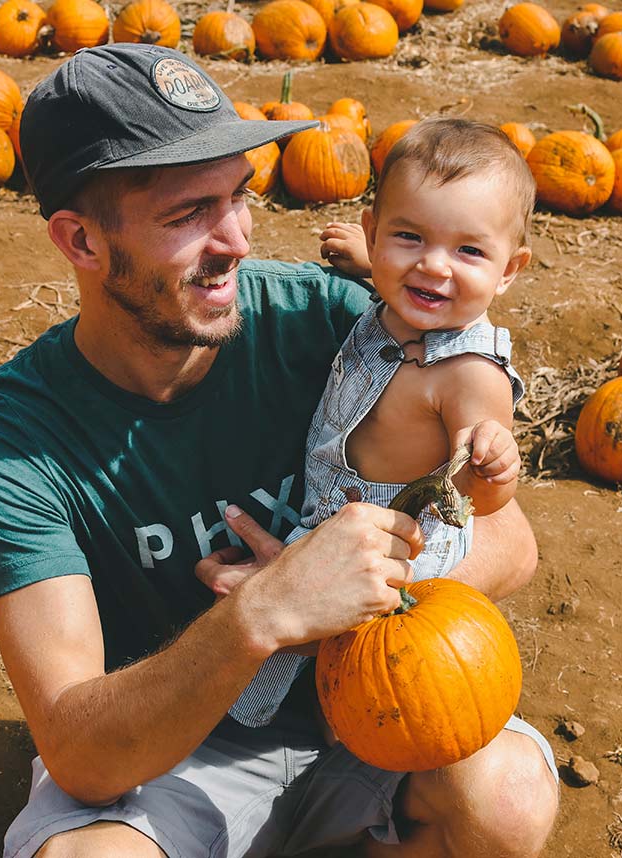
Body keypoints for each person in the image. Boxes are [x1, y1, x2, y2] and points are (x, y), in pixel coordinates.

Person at [0, 42, 558, 858]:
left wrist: (345, 606)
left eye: (239, 196)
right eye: (187, 214)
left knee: (505, 795)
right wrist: (264, 616)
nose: (235, 239)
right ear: (82, 243)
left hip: (374, 714)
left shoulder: (337, 324)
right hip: (175, 760)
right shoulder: (12, 437)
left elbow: (511, 544)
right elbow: (81, 753)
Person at [228, 116, 539, 731]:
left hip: (405, 543)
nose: (435, 267)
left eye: (469, 251)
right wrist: (372, 263)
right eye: (408, 237)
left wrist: (496, 459)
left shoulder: (471, 373)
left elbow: (481, 500)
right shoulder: (405, 305)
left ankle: (254, 718)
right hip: (343, 515)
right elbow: (413, 286)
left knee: (321, 651)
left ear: (508, 270)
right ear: (374, 233)